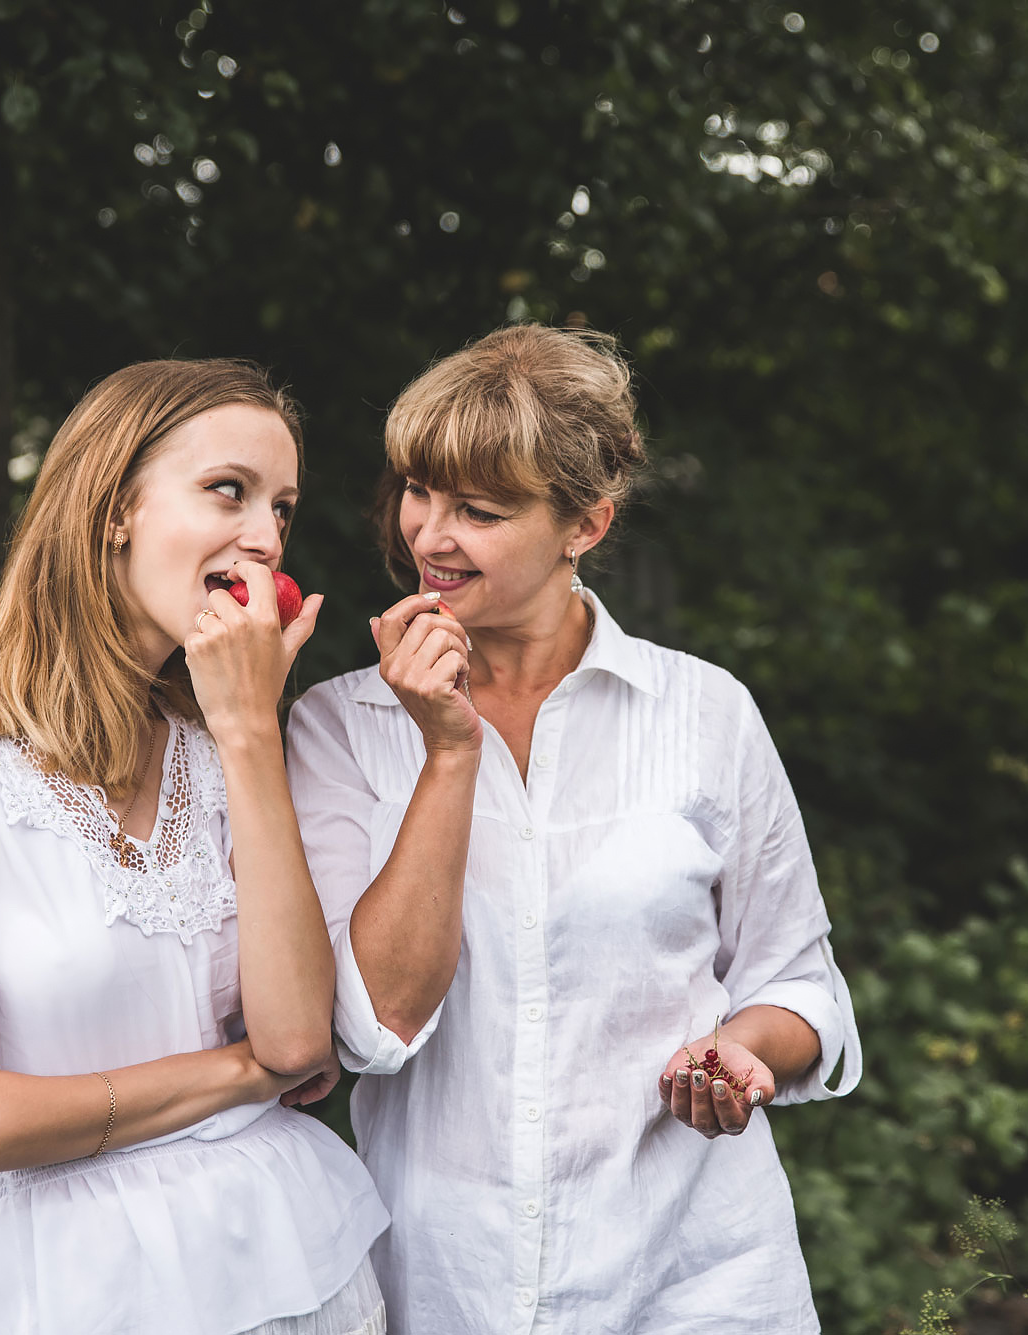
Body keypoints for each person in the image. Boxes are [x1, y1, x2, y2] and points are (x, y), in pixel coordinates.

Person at [286, 325, 862, 1332]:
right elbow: (369, 1028)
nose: (428, 536)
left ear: (583, 526)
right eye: (419, 491)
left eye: (481, 510)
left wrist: (740, 1051)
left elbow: (797, 983)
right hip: (443, 1284)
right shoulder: (339, 725)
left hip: (694, 1281)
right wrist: (446, 754)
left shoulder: (704, 712)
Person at [0, 361, 389, 1335]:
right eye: (226, 491)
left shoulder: (223, 741)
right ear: (114, 508)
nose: (267, 537)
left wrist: (248, 732)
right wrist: (238, 1079)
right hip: (88, 1289)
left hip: (295, 1260)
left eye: (282, 507)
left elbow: (293, 1039)